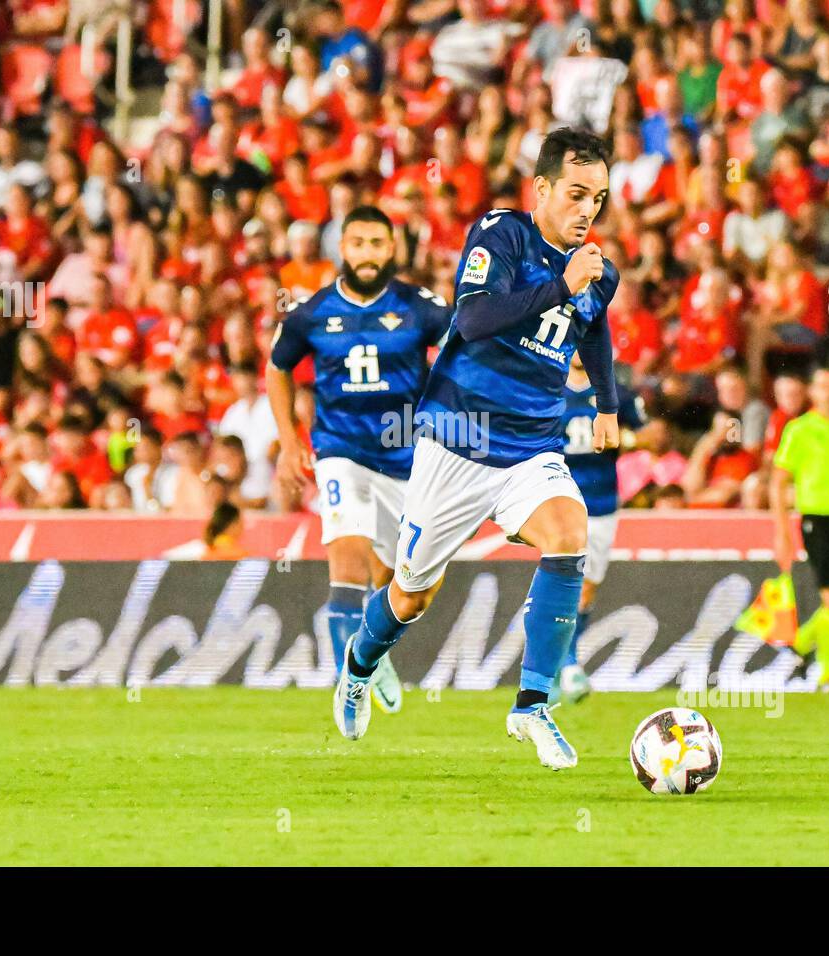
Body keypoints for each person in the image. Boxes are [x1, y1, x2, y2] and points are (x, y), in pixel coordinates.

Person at [331, 128, 620, 771]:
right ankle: (359, 663)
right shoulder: (502, 234)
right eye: (576, 194)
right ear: (541, 188)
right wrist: (560, 286)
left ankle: (533, 705)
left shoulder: (597, 270)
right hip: (456, 441)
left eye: (598, 199)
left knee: (569, 534)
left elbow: (594, 327)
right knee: (412, 594)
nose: (587, 210)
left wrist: (605, 404)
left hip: (531, 446)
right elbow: (474, 320)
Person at [268, 205, 451, 713]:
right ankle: (347, 684)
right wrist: (289, 440)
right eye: (358, 243)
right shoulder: (312, 312)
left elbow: (464, 355)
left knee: (408, 589)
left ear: (392, 249)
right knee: (346, 557)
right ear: (341, 249)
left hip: (404, 455)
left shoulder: (422, 307)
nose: (367, 254)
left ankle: (374, 651)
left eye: (377, 243)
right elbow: (276, 366)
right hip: (339, 450)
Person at [548, 351, 645, 706]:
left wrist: (629, 439)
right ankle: (568, 664)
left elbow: (652, 435)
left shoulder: (614, 392)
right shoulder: (547, 388)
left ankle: (560, 664)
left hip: (602, 502)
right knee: (565, 578)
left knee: (587, 590)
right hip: (558, 497)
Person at [770, 368, 829, 691]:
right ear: (813, 392)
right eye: (822, 387)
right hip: (816, 518)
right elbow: (778, 481)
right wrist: (782, 530)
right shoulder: (799, 430)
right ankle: (825, 673)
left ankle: (799, 643)